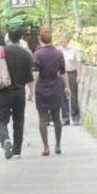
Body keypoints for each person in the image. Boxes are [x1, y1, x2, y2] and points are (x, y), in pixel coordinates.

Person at [0, 28, 34, 159]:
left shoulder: (1, 52)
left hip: (4, 91)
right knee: (19, 121)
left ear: (8, 37)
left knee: (1, 120)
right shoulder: (26, 54)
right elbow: (29, 76)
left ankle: (5, 139)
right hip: (19, 92)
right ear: (20, 38)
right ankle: (16, 151)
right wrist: (31, 92)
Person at [33, 27, 70, 156]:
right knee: (56, 117)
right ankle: (58, 145)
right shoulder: (58, 53)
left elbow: (36, 73)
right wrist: (67, 87)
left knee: (42, 118)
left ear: (40, 39)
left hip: (42, 87)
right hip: (55, 86)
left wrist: (32, 89)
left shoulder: (37, 54)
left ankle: (46, 147)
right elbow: (63, 72)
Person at [58, 31, 82, 126]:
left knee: (73, 95)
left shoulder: (74, 50)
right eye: (59, 38)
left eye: (62, 38)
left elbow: (78, 63)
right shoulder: (58, 50)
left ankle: (75, 117)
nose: (60, 40)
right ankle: (65, 118)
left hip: (72, 73)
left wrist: (79, 75)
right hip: (61, 74)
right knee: (62, 95)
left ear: (66, 39)